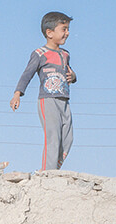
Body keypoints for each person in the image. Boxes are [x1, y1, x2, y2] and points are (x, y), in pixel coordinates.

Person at [10, 11, 77, 170]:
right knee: (53, 137)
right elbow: (27, 74)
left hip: (64, 100)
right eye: (64, 29)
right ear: (49, 33)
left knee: (68, 139)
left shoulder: (65, 54)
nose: (67, 33)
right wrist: (17, 94)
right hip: (47, 100)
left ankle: (53, 169)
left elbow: (70, 73)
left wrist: (73, 76)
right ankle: (48, 172)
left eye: (68, 29)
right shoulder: (40, 54)